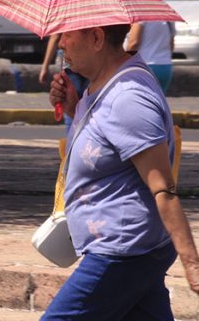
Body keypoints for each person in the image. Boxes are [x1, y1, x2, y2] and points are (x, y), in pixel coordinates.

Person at [43, 24, 199, 320]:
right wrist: (74, 108)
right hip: (132, 246)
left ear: (97, 37)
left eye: (68, 35)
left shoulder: (129, 97)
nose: (61, 43)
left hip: (122, 249)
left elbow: (163, 188)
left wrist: (192, 264)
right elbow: (107, 142)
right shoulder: (104, 86)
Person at [127, 0, 175, 94]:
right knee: (158, 102)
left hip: (144, 65)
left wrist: (123, 63)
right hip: (165, 66)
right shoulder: (167, 10)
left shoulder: (141, 10)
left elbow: (134, 43)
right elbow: (171, 45)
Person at [39, 33, 88, 133]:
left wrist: (45, 67)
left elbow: (55, 37)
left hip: (71, 65)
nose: (61, 44)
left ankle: (73, 135)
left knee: (70, 101)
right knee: (84, 102)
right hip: (88, 61)